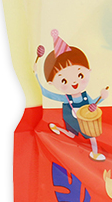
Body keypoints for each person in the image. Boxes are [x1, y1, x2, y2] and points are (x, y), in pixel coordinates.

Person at [33, 29, 108, 161]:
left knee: (91, 135)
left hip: (85, 121)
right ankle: (57, 128)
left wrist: (101, 97)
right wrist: (36, 74)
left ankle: (95, 153)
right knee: (72, 134)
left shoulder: (85, 95)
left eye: (80, 75)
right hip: (71, 118)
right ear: (51, 83)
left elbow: (92, 103)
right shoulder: (66, 98)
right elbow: (45, 92)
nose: (74, 82)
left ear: (88, 70)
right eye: (64, 80)